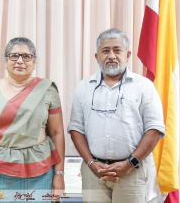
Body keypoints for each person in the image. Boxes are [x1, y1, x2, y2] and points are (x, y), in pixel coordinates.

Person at [67, 28, 166, 203]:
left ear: (127, 55)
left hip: (132, 172)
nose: (111, 56)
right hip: (93, 173)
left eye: (117, 50)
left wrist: (129, 164)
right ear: (97, 57)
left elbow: (155, 129)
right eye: (105, 51)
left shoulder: (144, 86)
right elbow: (76, 129)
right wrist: (91, 163)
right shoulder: (83, 87)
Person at [0, 37, 65, 202]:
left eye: (26, 56)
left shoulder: (47, 89)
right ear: (5, 61)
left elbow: (57, 132)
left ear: (34, 62)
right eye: (14, 56)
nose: (20, 61)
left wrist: (59, 174)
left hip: (40, 170)